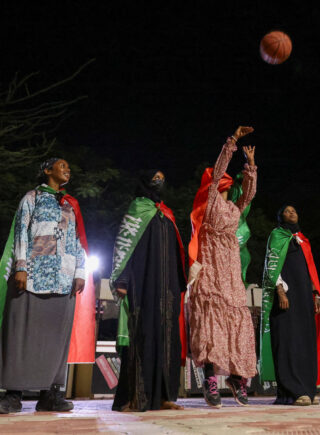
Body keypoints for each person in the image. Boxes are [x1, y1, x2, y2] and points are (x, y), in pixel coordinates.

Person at [0, 158, 94, 413]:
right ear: (47, 170)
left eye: (68, 166)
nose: (68, 169)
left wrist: (80, 271)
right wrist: (20, 266)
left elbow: (77, 241)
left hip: (63, 279)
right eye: (62, 165)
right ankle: (13, 394)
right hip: (32, 276)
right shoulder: (31, 198)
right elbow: (21, 231)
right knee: (22, 336)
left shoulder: (70, 205)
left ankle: (49, 395)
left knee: (55, 340)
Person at [188, 126, 257, 409]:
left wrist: (251, 166)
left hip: (231, 267)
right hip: (211, 264)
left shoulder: (235, 209)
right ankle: (210, 379)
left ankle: (238, 378)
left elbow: (249, 196)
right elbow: (216, 172)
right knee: (211, 322)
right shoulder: (211, 201)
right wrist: (232, 142)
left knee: (238, 321)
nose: (223, 185)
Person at [110, 170, 187, 412]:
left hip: (167, 288)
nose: (160, 181)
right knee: (141, 337)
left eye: (163, 177)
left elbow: (176, 250)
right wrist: (122, 280)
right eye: (155, 176)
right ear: (144, 180)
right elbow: (125, 244)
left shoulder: (166, 212)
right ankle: (133, 397)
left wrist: (179, 282)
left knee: (166, 340)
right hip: (142, 283)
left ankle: (164, 396)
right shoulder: (137, 209)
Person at [260, 205, 320, 406]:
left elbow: (310, 269)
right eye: (287, 211)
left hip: (304, 296)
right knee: (288, 342)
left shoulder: (303, 240)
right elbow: (271, 263)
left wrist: (316, 294)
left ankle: (307, 389)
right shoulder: (276, 236)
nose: (292, 212)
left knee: (305, 341)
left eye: (294, 210)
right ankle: (292, 391)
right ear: (280, 217)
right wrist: (279, 290)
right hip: (285, 296)